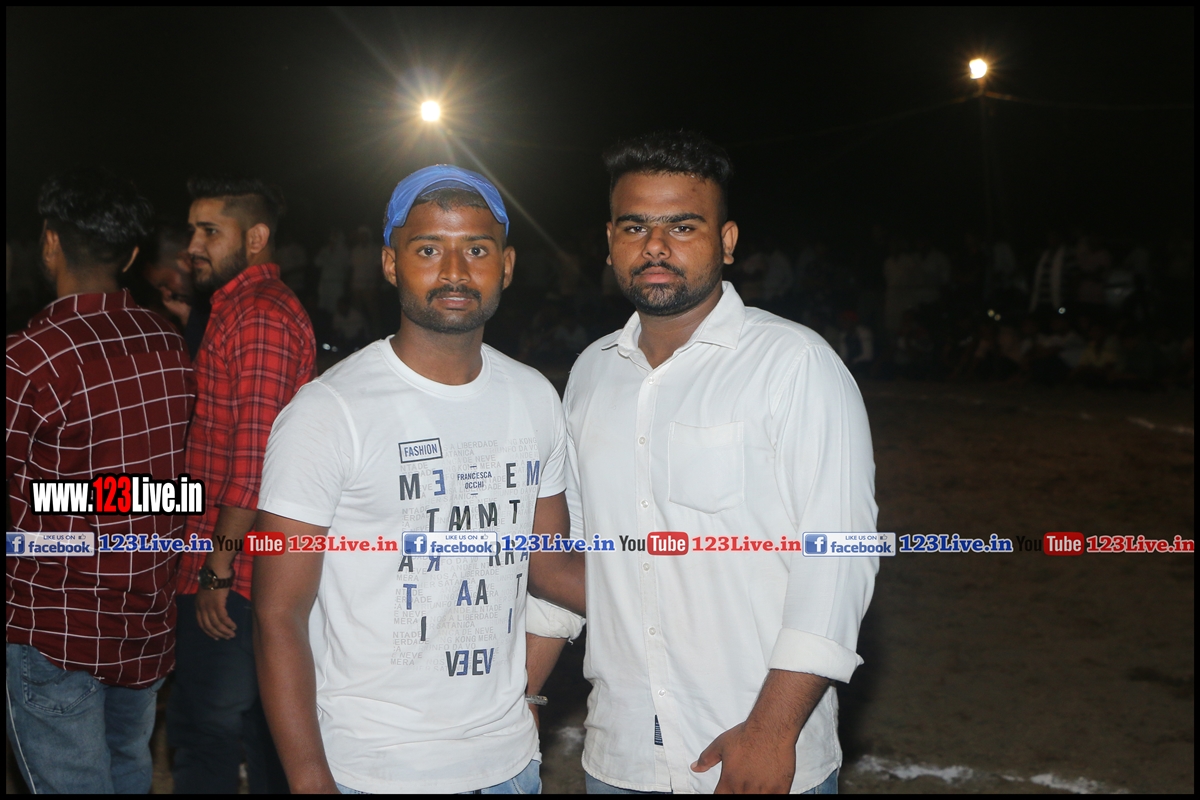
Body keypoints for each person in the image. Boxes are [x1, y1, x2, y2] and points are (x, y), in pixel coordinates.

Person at [252, 164, 584, 794]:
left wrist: (681, 607)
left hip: (510, 767)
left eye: (477, 250)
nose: (455, 272)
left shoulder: (535, 397)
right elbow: (278, 613)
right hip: (374, 769)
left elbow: (548, 565)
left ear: (507, 266)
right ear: (390, 263)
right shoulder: (329, 411)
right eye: (429, 250)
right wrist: (309, 777)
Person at [564, 131, 878, 793]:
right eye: (635, 227)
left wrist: (771, 731)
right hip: (618, 754)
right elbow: (582, 552)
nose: (655, 247)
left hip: (753, 749)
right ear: (610, 242)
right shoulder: (591, 373)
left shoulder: (794, 365)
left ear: (727, 241)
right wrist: (525, 695)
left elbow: (839, 559)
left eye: (683, 226)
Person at [6, 168, 196, 793]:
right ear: (133, 254)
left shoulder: (29, 360)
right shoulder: (167, 343)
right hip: (144, 620)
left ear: (50, 241)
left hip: (55, 629)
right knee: (129, 769)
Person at [166, 176, 314, 794]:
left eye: (210, 232)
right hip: (235, 566)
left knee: (208, 735)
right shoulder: (237, 309)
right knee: (256, 735)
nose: (193, 245)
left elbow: (253, 463)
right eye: (192, 231)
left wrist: (217, 573)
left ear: (255, 238)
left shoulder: (260, 317)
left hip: (241, 575)